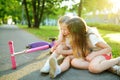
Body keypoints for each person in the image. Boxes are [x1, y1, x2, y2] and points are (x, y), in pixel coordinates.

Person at [41, 16, 120, 78]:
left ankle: (117, 60)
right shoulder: (80, 36)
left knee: (93, 68)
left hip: (103, 54)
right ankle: (58, 70)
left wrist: (94, 54)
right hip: (90, 55)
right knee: (73, 61)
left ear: (77, 32)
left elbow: (108, 48)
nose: (69, 35)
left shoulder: (92, 37)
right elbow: (80, 51)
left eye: (71, 32)